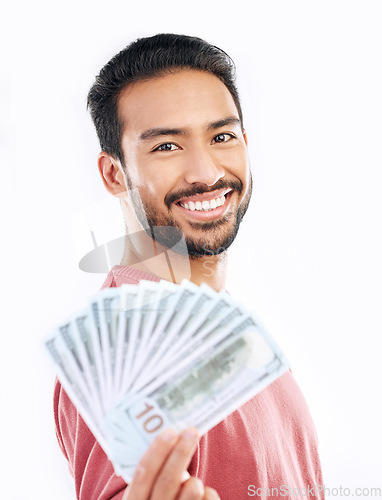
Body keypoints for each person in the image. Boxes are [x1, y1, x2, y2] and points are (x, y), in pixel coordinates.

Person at [54, 33, 324, 499]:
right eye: (166, 147)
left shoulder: (231, 326)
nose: (205, 171)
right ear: (114, 174)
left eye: (222, 137)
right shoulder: (119, 354)